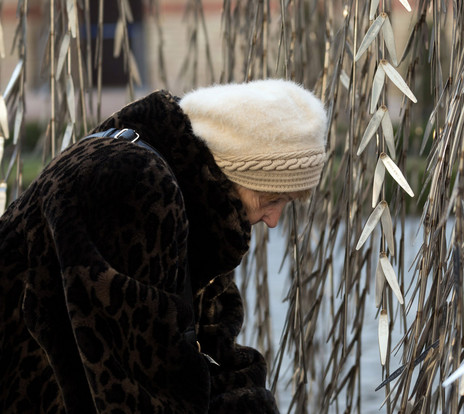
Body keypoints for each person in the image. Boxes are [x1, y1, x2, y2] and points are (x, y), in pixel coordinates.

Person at [0, 80, 328, 413]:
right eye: (272, 199)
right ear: (238, 170)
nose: (273, 220)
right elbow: (131, 389)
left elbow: (209, 349)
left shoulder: (190, 194)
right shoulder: (136, 186)